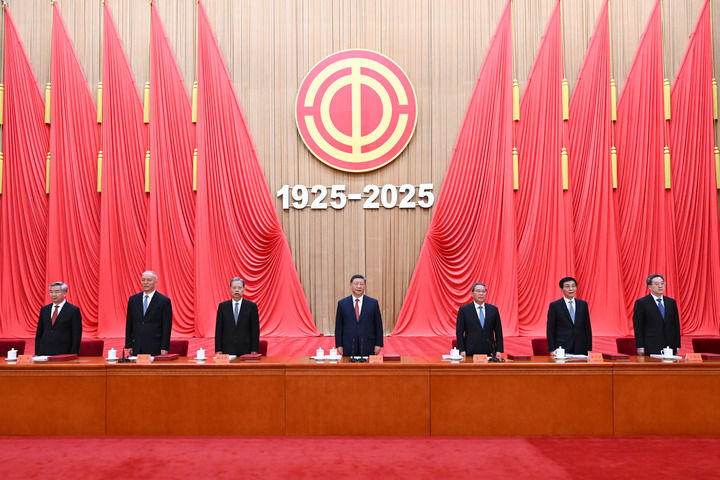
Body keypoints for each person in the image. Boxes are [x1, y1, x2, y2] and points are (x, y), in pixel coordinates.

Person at [124, 271, 173, 356]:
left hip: (155, 345)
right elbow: (129, 323)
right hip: (137, 345)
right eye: (143, 280)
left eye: (149, 280)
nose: (145, 282)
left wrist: (164, 347)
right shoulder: (133, 299)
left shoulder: (164, 301)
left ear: (156, 282)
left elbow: (166, 326)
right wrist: (128, 344)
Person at [335, 274, 383, 356]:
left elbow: (378, 325)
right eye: (356, 284)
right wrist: (339, 345)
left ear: (365, 286)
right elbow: (339, 326)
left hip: (368, 344)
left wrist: (378, 344)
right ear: (351, 285)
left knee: (367, 364)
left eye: (361, 284)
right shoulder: (342, 303)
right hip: (348, 345)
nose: (359, 286)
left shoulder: (373, 303)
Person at [633, 274, 681, 355]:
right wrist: (640, 346)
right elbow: (638, 326)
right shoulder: (642, 303)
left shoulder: (671, 302)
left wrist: (677, 345)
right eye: (656, 284)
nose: (660, 286)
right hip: (651, 345)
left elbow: (676, 325)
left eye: (662, 283)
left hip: (670, 345)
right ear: (649, 286)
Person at [546, 277, 592, 354]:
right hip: (562, 347)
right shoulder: (555, 305)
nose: (571, 289)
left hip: (581, 347)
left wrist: (589, 348)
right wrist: (552, 349)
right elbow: (550, 329)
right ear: (561, 289)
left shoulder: (583, 304)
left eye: (573, 286)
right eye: (567, 286)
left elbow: (587, 327)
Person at [456, 283, 503, 357]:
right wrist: (461, 350)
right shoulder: (464, 310)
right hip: (470, 351)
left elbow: (498, 332)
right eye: (478, 291)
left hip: (489, 351)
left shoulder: (493, 310)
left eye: (483, 291)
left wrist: (499, 350)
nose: (481, 293)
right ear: (472, 294)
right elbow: (459, 332)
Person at [215, 277, 260, 355]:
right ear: (230, 289)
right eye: (234, 288)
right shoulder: (223, 306)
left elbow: (255, 330)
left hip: (246, 350)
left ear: (244, 289)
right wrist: (218, 349)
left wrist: (254, 349)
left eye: (239, 288)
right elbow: (219, 330)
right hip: (227, 350)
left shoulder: (251, 306)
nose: (237, 290)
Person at [35, 282, 82, 355]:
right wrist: (37, 352)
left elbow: (76, 334)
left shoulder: (73, 310)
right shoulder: (44, 310)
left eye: (57, 292)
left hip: (64, 351)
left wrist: (73, 353)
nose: (53, 294)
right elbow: (39, 332)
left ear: (64, 293)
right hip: (44, 351)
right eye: (51, 292)